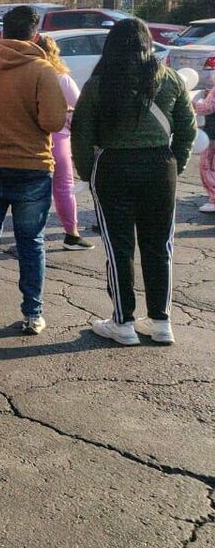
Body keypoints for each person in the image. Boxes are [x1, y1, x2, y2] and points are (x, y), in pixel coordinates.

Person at [72, 18, 196, 346]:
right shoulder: (170, 79)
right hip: (160, 167)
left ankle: (123, 322)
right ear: (148, 45)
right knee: (159, 246)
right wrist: (176, 163)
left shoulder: (98, 84)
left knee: (119, 247)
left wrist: (86, 172)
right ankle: (161, 321)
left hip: (113, 167)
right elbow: (187, 128)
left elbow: (81, 133)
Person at [0, 5, 66, 334]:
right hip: (32, 167)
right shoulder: (42, 70)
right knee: (31, 242)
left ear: (1, 33)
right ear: (35, 35)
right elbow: (53, 121)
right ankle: (33, 313)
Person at [35, 35, 93, 251]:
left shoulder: (26, 77)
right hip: (58, 138)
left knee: (32, 189)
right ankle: (71, 234)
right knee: (63, 188)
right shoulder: (61, 78)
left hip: (31, 137)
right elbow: (80, 108)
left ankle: (32, 236)